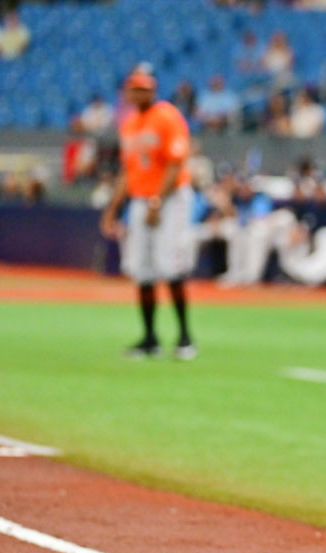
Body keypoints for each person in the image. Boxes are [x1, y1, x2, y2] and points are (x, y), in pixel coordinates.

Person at [99, 70, 197, 360]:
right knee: (141, 268)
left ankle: (184, 337)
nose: (141, 94)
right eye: (135, 90)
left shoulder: (167, 116)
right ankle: (150, 338)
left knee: (170, 264)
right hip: (141, 199)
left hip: (171, 197)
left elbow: (175, 163)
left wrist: (157, 201)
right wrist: (113, 208)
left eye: (146, 89)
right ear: (128, 93)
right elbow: (128, 172)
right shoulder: (129, 125)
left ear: (153, 91)